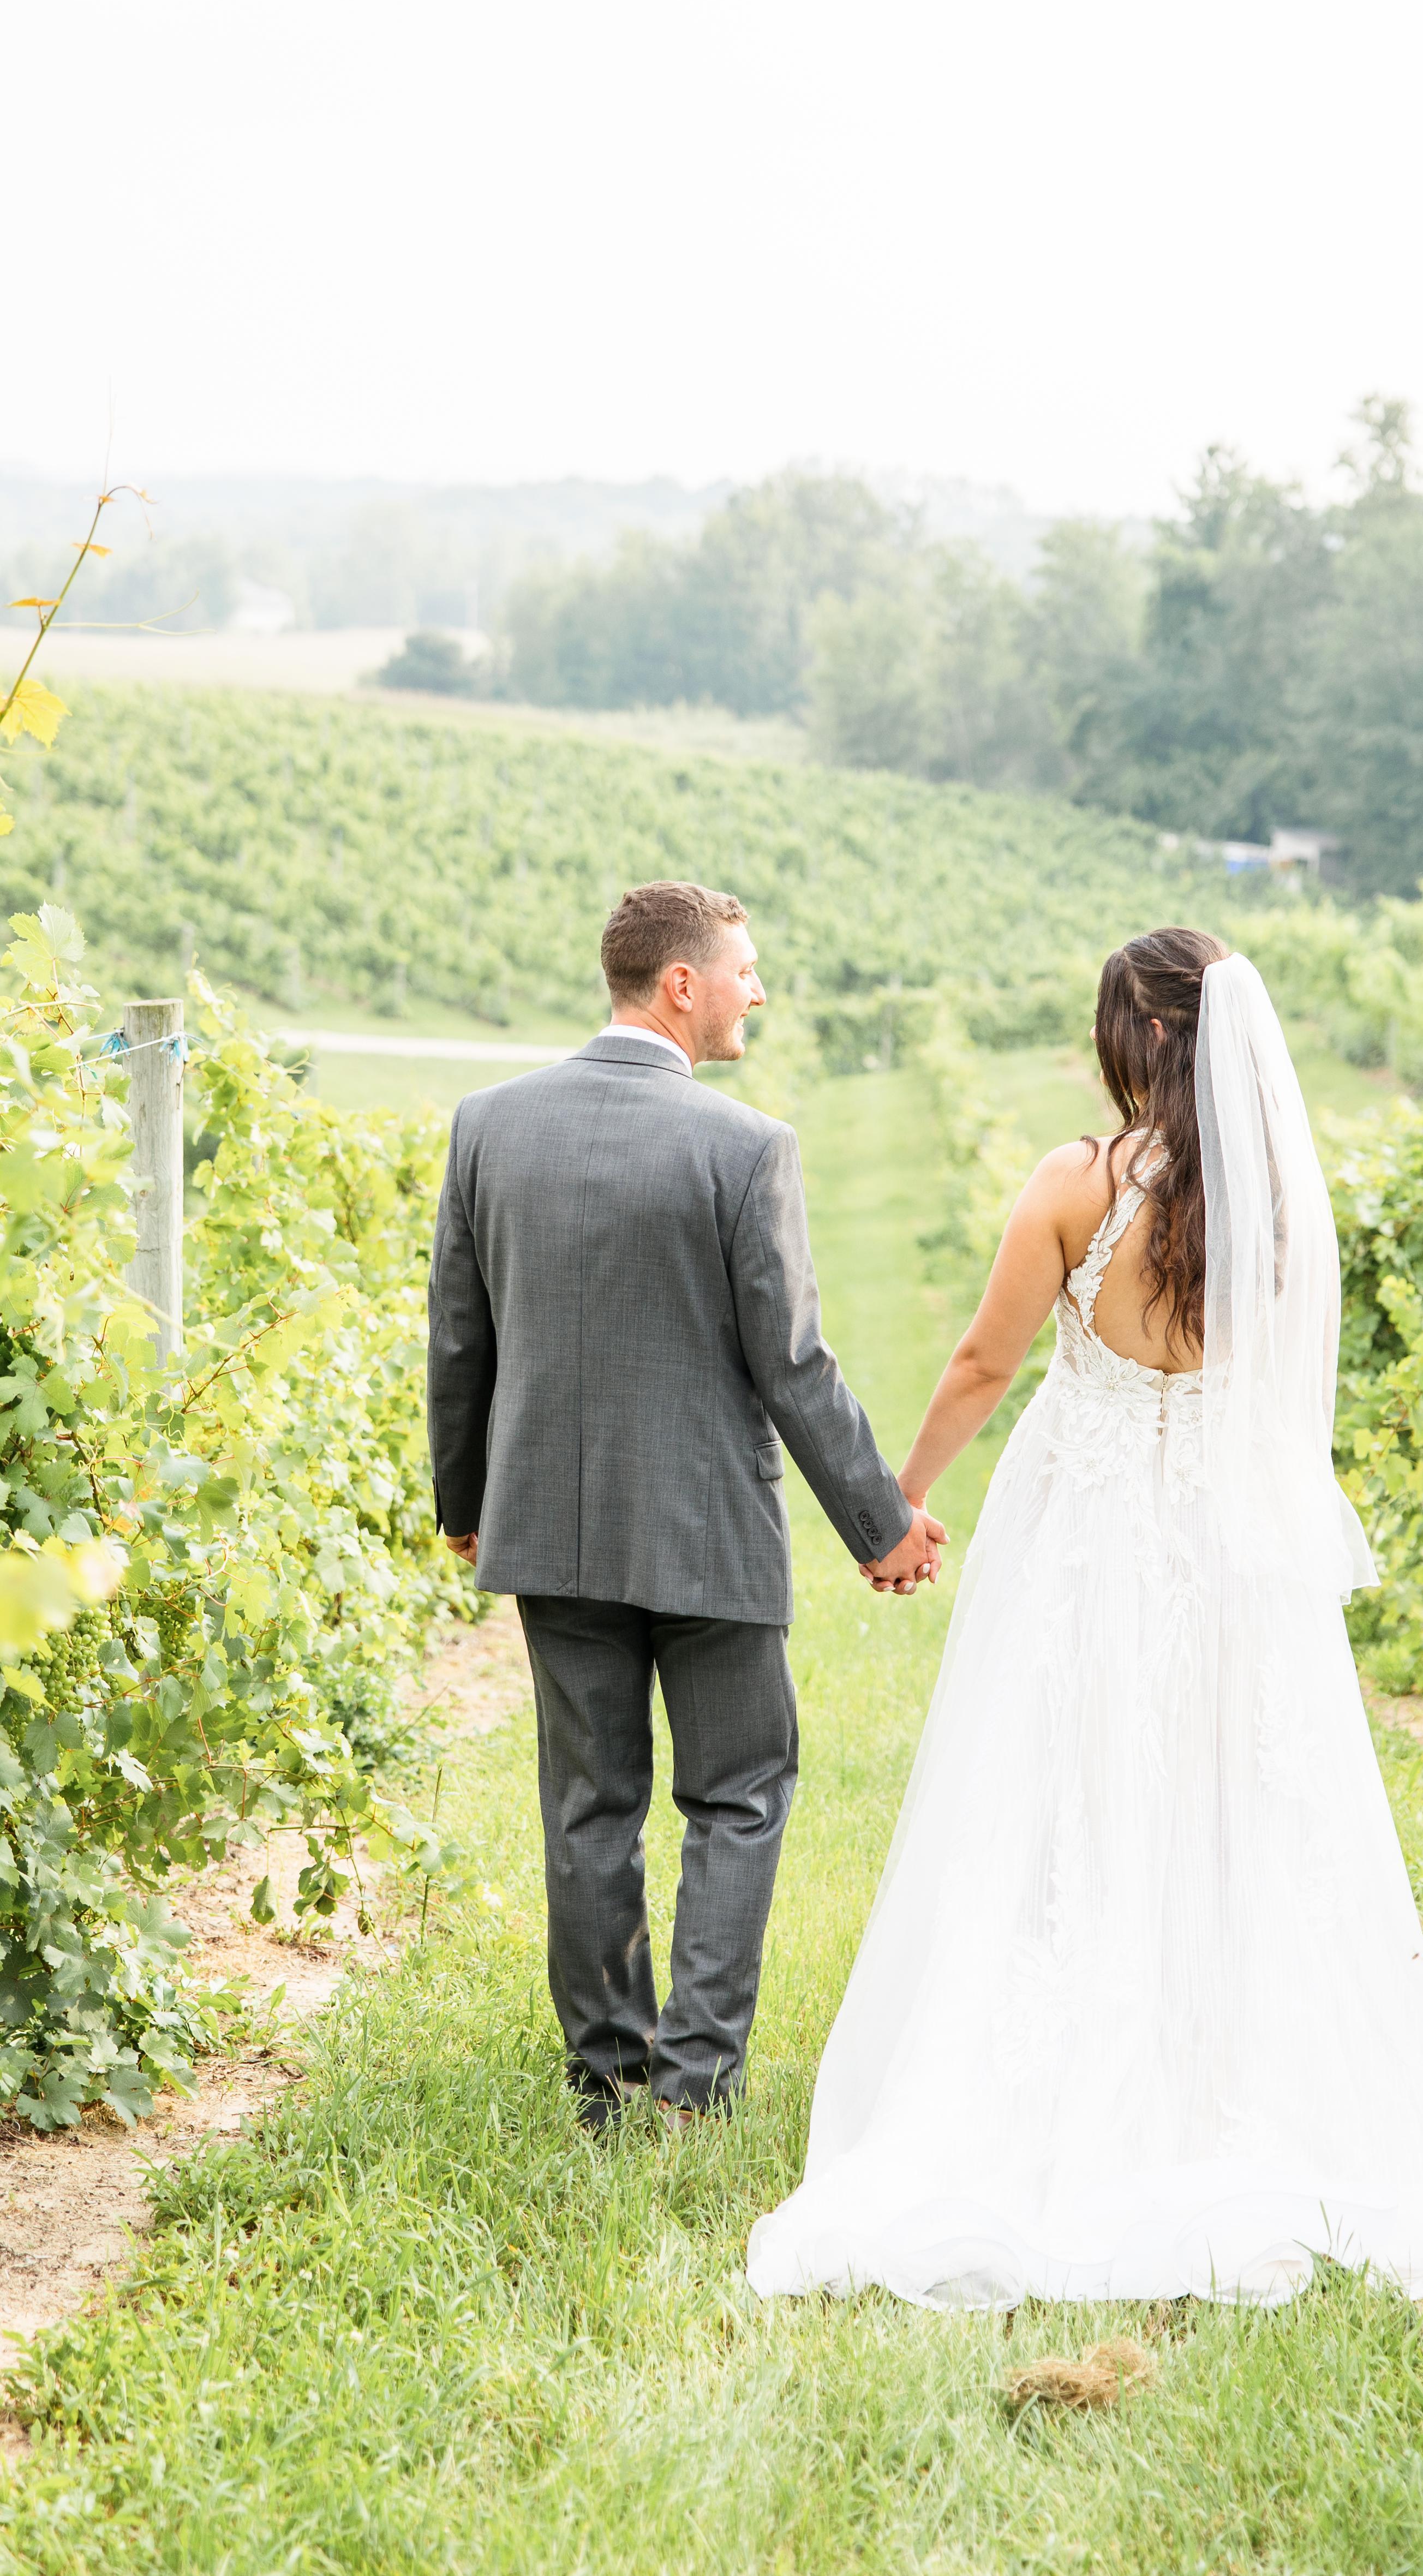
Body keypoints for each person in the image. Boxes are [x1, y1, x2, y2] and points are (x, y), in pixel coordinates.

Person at [748, 928, 1423, 2308]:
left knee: (1065, 1778)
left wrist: (899, 1500)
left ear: (1131, 1040)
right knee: (1230, 1787)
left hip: (1086, 1525)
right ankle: (1225, 2059)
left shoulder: (1076, 1181)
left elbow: (986, 1358)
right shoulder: (1277, 1200)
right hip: (1228, 1530)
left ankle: (1072, 2049)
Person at [426, 880, 944, 2131]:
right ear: (681, 984)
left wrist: (467, 1500)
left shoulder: (490, 1124)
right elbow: (793, 1363)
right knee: (741, 1791)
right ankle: (695, 2084)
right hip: (709, 1532)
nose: (756, 990)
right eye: (744, 970)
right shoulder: (745, 1146)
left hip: (549, 1525)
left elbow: (457, 1336)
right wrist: (882, 1521)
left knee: (587, 1803)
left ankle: (608, 2079)